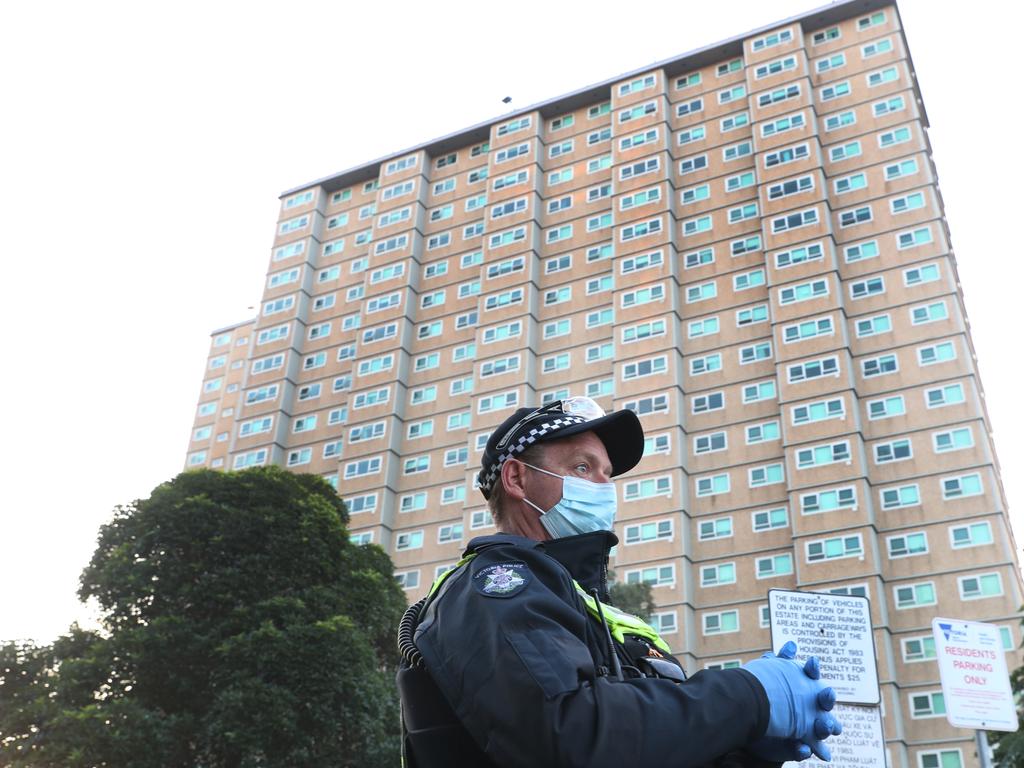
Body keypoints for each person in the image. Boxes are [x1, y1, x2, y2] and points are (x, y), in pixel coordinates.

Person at [397, 396, 841, 767]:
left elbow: (648, 744)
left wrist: (748, 745)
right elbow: (571, 735)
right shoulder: (492, 587)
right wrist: (749, 697)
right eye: (583, 468)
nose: (604, 488)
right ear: (517, 478)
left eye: (607, 474)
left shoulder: (607, 617)